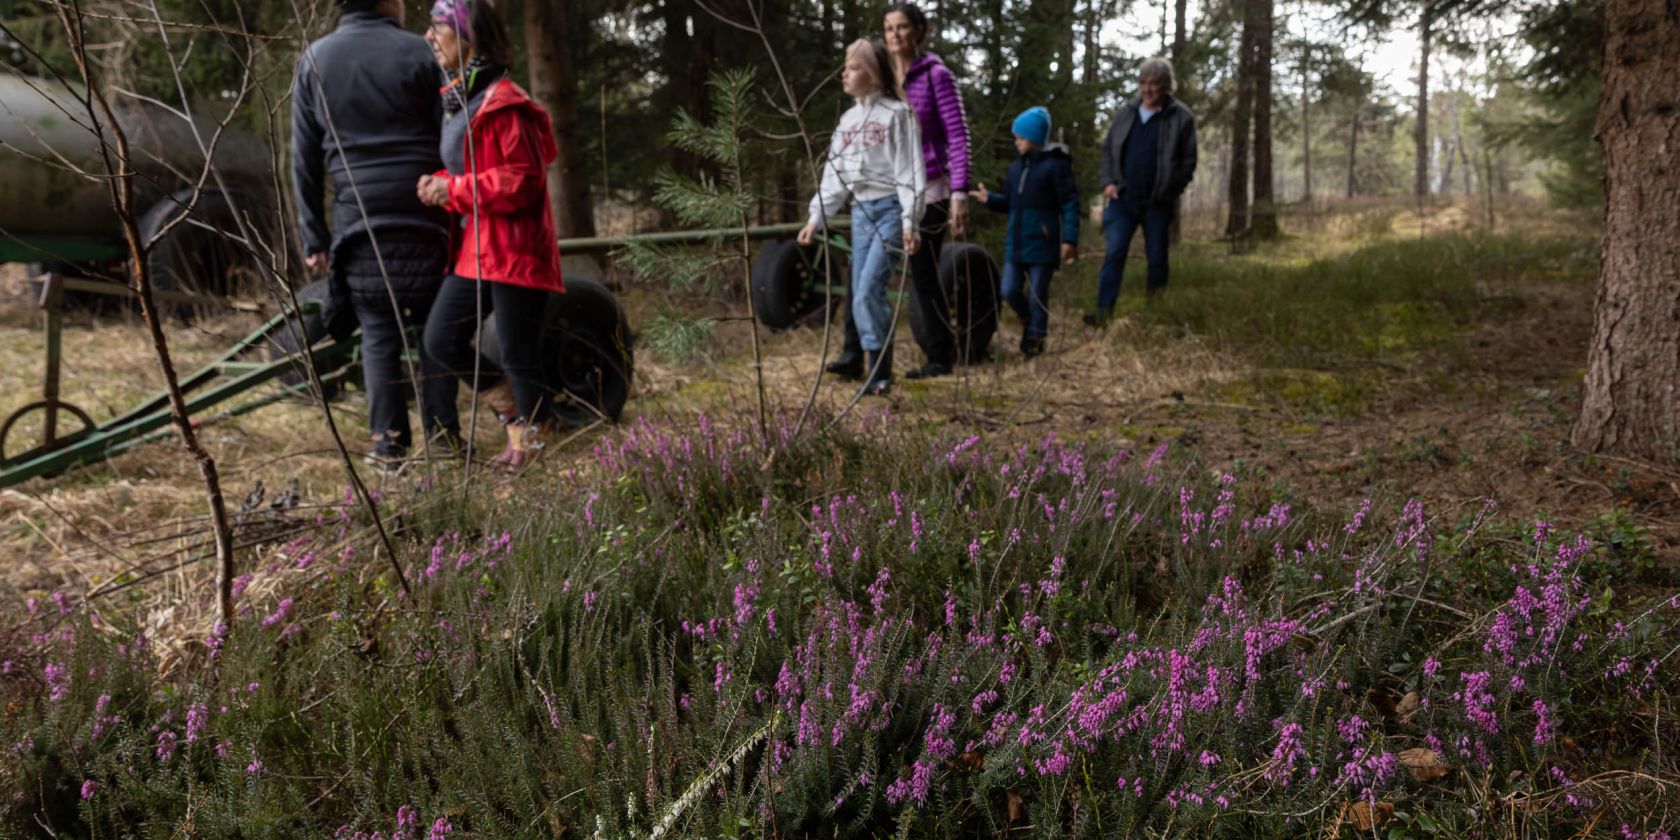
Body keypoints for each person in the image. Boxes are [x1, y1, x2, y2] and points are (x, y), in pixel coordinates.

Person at [291, 0, 454, 467]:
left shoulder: (315, 59)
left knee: (378, 332)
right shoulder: (423, 54)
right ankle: (444, 443)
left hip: (357, 223)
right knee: (434, 329)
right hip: (428, 213)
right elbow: (453, 134)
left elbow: (302, 159)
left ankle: (389, 447)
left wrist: (314, 237)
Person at [417, 0, 565, 470]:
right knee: (440, 339)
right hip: (477, 248)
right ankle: (518, 416)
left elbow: (523, 181)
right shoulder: (461, 96)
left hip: (515, 249)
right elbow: (478, 168)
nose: (428, 35)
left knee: (519, 355)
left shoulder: (504, 102)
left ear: (469, 37)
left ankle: (532, 450)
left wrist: (453, 188)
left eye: (438, 26)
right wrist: (441, 183)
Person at [825, 1, 970, 382]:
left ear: (919, 31)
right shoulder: (881, 75)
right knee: (862, 275)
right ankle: (853, 353)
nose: (895, 35)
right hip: (884, 192)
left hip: (931, 189)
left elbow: (957, 135)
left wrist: (959, 192)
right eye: (889, 28)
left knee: (922, 275)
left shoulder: (936, 75)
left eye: (903, 27)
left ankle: (940, 355)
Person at [799, 39, 925, 397]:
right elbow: (835, 175)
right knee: (859, 291)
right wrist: (815, 218)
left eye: (853, 67)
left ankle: (880, 372)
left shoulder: (897, 115)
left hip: (889, 210)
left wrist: (909, 221)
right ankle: (865, 363)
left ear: (871, 72)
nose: (845, 74)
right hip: (860, 214)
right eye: (846, 66)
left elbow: (910, 171)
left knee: (869, 289)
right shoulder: (848, 120)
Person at [1087, 56, 1198, 324]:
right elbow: (1108, 151)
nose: (1148, 89)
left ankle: (1155, 314)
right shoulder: (1126, 113)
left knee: (1157, 258)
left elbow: (1188, 162)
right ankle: (1103, 313)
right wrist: (1108, 182)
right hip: (1123, 199)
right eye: (1143, 83)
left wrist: (1171, 190)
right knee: (1114, 254)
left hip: (1158, 203)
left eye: (1154, 84)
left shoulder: (1181, 117)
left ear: (1166, 86)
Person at [970, 106, 1078, 359]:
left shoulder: (1055, 167)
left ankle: (1035, 340)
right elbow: (1010, 202)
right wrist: (990, 200)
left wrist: (1069, 239)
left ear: (1033, 138)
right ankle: (1028, 319)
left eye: (1019, 137)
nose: (1015, 141)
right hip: (1016, 243)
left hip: (1043, 242)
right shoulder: (1015, 169)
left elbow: (1070, 204)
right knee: (1008, 289)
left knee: (1038, 293)